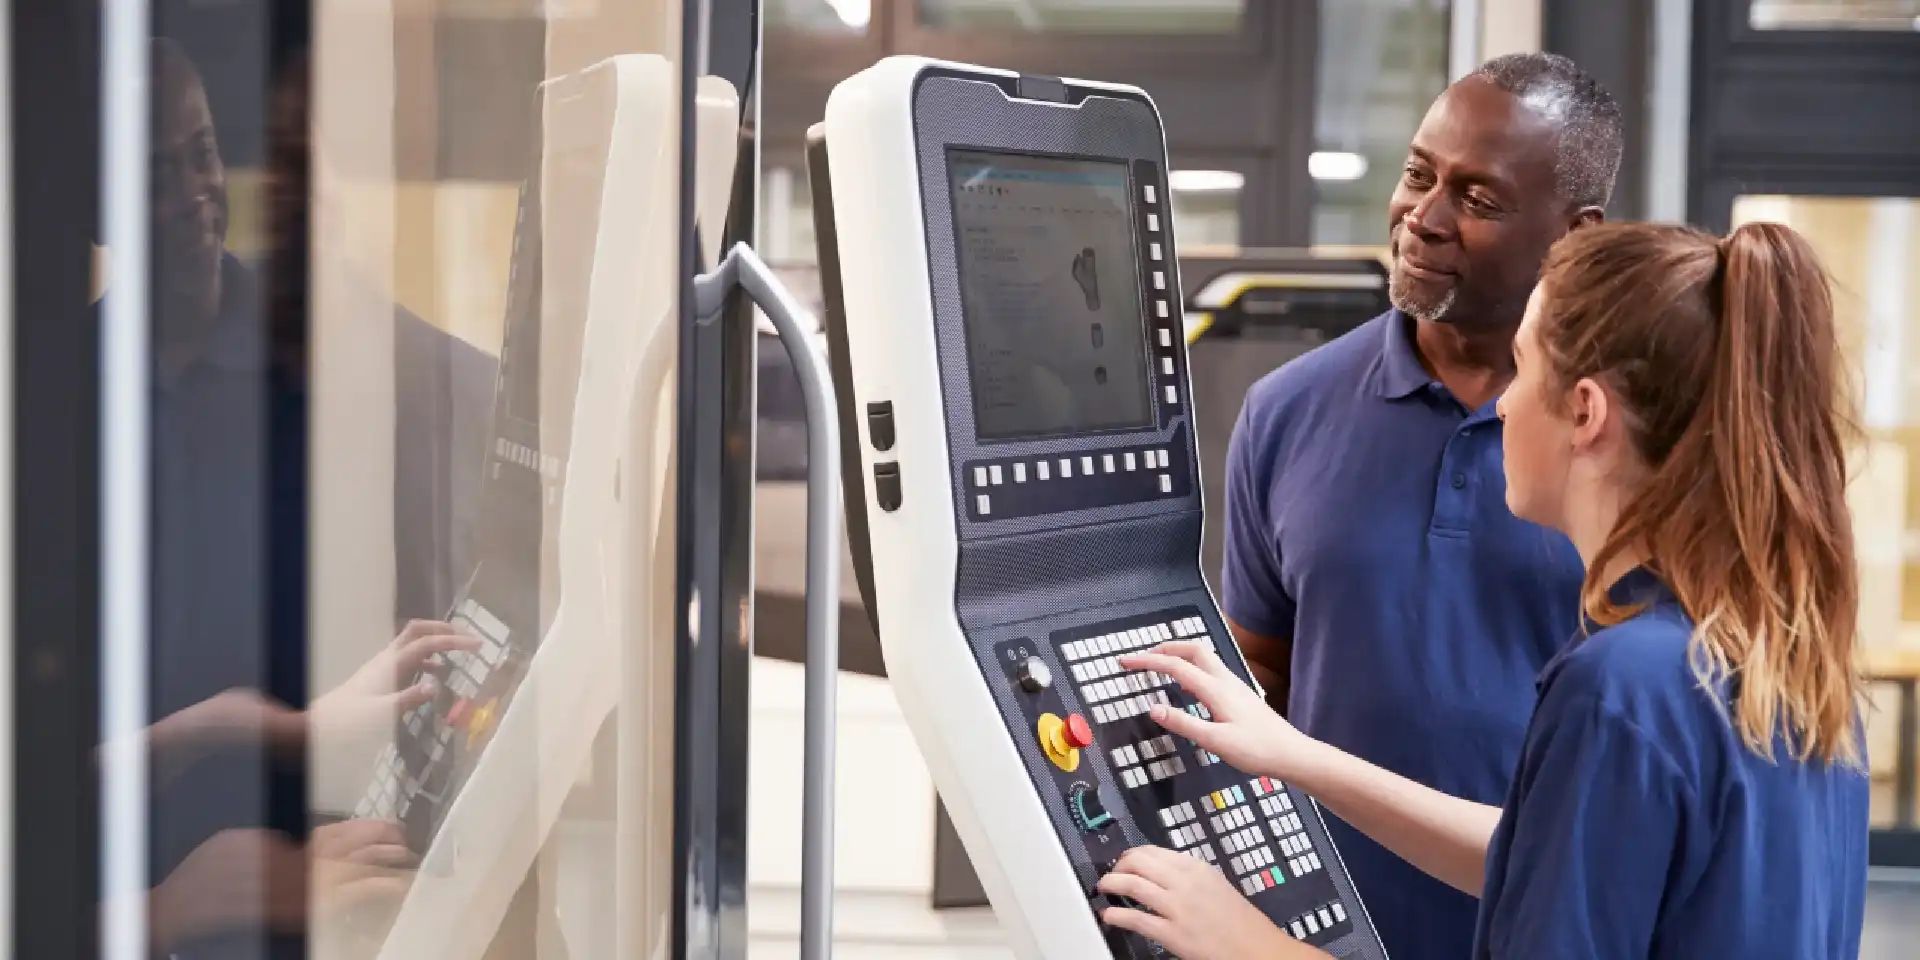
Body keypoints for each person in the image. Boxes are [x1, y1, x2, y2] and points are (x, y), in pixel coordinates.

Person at [1100, 219, 1870, 958]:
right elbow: (1550, 862)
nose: (1501, 403)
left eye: (1525, 367)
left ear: (1585, 410)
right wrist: (1296, 757)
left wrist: (1250, 947)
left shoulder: (1618, 690)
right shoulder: (1770, 659)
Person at [1218, 52, 1622, 957]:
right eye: (1417, 175)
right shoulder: (1286, 409)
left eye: (1478, 201)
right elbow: (1259, 680)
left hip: (1544, 924)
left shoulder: (1628, 441)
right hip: (1320, 933)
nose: (1423, 218)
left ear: (1576, 234)